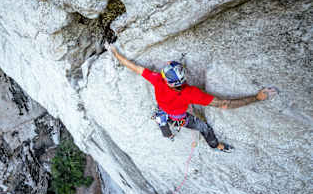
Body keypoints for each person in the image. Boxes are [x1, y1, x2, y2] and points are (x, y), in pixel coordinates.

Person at [106, 43, 276, 152]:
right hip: (179, 117)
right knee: (204, 127)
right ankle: (216, 146)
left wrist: (115, 53)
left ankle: (167, 133)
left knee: (162, 120)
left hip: (165, 111)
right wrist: (257, 98)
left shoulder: (158, 80)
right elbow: (225, 104)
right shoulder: (192, 93)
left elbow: (134, 68)